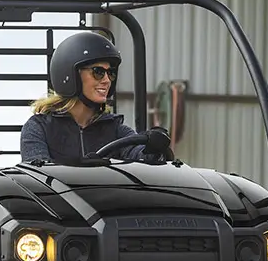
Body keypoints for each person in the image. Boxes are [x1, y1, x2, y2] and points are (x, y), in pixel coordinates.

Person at [20, 31, 172, 164]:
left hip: (111, 198)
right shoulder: (39, 128)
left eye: (110, 73)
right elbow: (39, 179)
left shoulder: (116, 130)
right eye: (98, 72)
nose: (107, 80)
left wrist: (153, 149)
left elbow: (139, 157)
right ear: (70, 75)